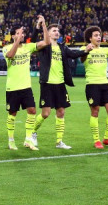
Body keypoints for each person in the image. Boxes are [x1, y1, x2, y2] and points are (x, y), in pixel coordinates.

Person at [33, 22, 87, 150]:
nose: (57, 32)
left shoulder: (62, 47)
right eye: (54, 31)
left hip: (60, 84)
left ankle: (59, 141)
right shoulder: (44, 47)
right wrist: (39, 27)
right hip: (47, 84)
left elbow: (74, 55)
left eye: (58, 31)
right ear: (48, 34)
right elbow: (34, 41)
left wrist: (86, 50)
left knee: (61, 112)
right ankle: (32, 132)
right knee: (45, 114)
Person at [3, 16, 50, 150]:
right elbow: (11, 55)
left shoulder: (28, 47)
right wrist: (17, 41)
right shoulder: (6, 48)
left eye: (22, 33)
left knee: (32, 110)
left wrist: (44, 26)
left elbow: (46, 42)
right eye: (18, 33)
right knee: (12, 114)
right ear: (13, 36)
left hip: (26, 86)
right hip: (13, 87)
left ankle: (28, 139)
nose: (21, 35)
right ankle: (11, 140)